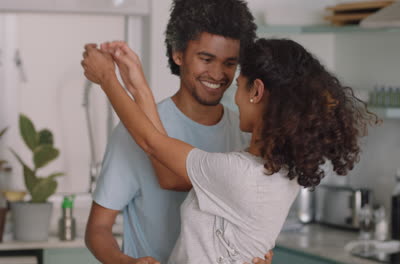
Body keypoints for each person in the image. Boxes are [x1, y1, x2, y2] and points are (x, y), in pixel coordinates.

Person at [81, 37, 376, 263]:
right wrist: (139, 88)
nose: (232, 96)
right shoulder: (277, 172)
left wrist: (107, 79)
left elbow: (152, 144)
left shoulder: (239, 173)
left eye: (239, 83)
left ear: (257, 92)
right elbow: (168, 171)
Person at [83, 0, 271, 264]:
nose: (217, 74)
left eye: (230, 63)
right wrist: (125, 262)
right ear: (178, 54)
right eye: (206, 59)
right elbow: (97, 230)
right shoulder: (132, 130)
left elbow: (170, 172)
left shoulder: (245, 136)